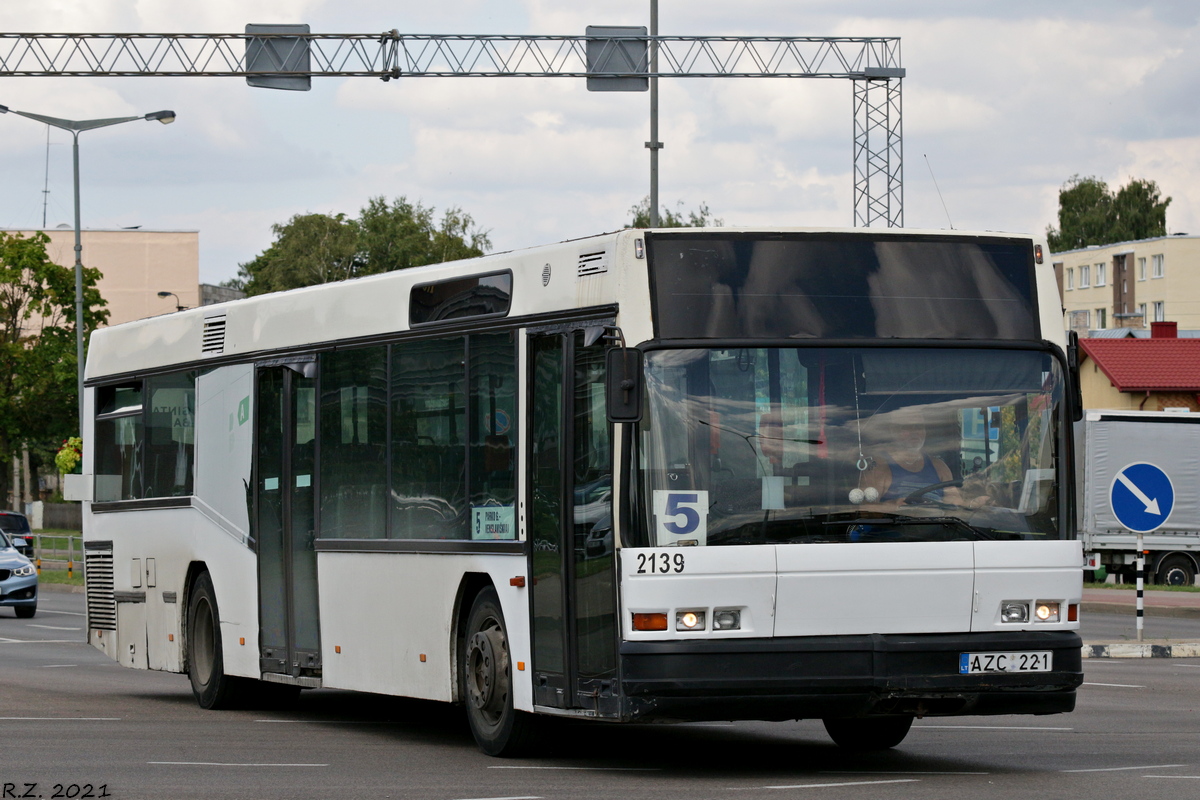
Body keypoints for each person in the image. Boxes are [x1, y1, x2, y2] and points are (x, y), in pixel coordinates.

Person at [859, 412, 989, 510]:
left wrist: (973, 504)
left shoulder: (939, 467)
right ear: (893, 431)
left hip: (938, 535)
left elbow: (954, 503)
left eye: (918, 427)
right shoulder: (878, 467)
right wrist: (891, 506)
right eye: (907, 428)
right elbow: (864, 510)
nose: (914, 432)